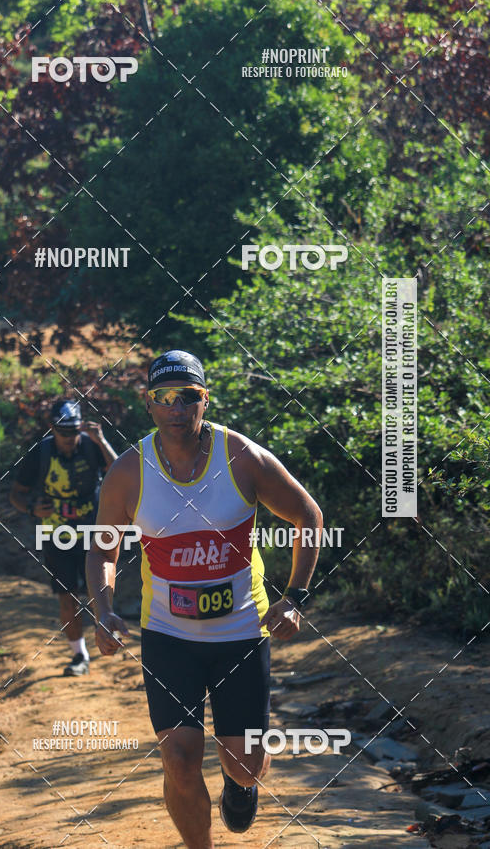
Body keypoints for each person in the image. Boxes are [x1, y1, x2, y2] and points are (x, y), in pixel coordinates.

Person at [86, 350, 322, 848]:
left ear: (204, 400)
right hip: (169, 636)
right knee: (179, 758)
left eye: (187, 397)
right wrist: (104, 609)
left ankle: (242, 785)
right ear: (149, 405)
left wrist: (295, 597)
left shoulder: (242, 458)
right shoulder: (130, 472)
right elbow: (103, 547)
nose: (177, 408)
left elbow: (308, 515)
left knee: (245, 765)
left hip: (240, 632)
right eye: (164, 398)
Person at [10, 399, 117, 676]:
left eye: (74, 431)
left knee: (100, 591)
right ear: (52, 428)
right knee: (66, 595)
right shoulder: (40, 453)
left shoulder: (92, 445)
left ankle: (104, 638)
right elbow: (16, 494)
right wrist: (32, 508)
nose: (70, 438)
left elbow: (120, 475)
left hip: (93, 530)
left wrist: (101, 440)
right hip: (57, 533)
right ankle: (79, 655)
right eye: (63, 432)